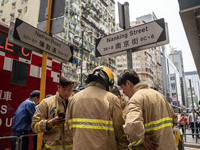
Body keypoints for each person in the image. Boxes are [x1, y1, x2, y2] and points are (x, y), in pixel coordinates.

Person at [66, 66, 126, 150]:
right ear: (109, 82)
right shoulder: (112, 99)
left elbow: (68, 128)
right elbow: (119, 130)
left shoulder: (74, 98)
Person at [117, 69, 177, 150]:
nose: (123, 92)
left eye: (122, 88)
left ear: (128, 83)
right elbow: (174, 119)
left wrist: (142, 141)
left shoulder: (135, 99)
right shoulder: (160, 95)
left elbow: (132, 126)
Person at [31, 76, 74, 149]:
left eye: (69, 90)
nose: (66, 93)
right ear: (58, 87)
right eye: (64, 89)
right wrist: (50, 123)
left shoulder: (75, 103)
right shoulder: (46, 103)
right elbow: (34, 126)